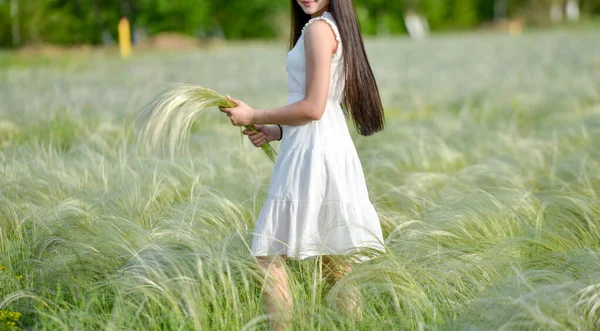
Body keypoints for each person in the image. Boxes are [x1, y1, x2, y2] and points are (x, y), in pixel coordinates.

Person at [220, 0, 385, 328]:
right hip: (324, 145)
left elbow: (313, 107)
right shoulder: (332, 28)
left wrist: (254, 115)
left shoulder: (318, 30)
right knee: (333, 261)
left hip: (312, 150)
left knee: (268, 255)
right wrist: (276, 130)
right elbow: (318, 105)